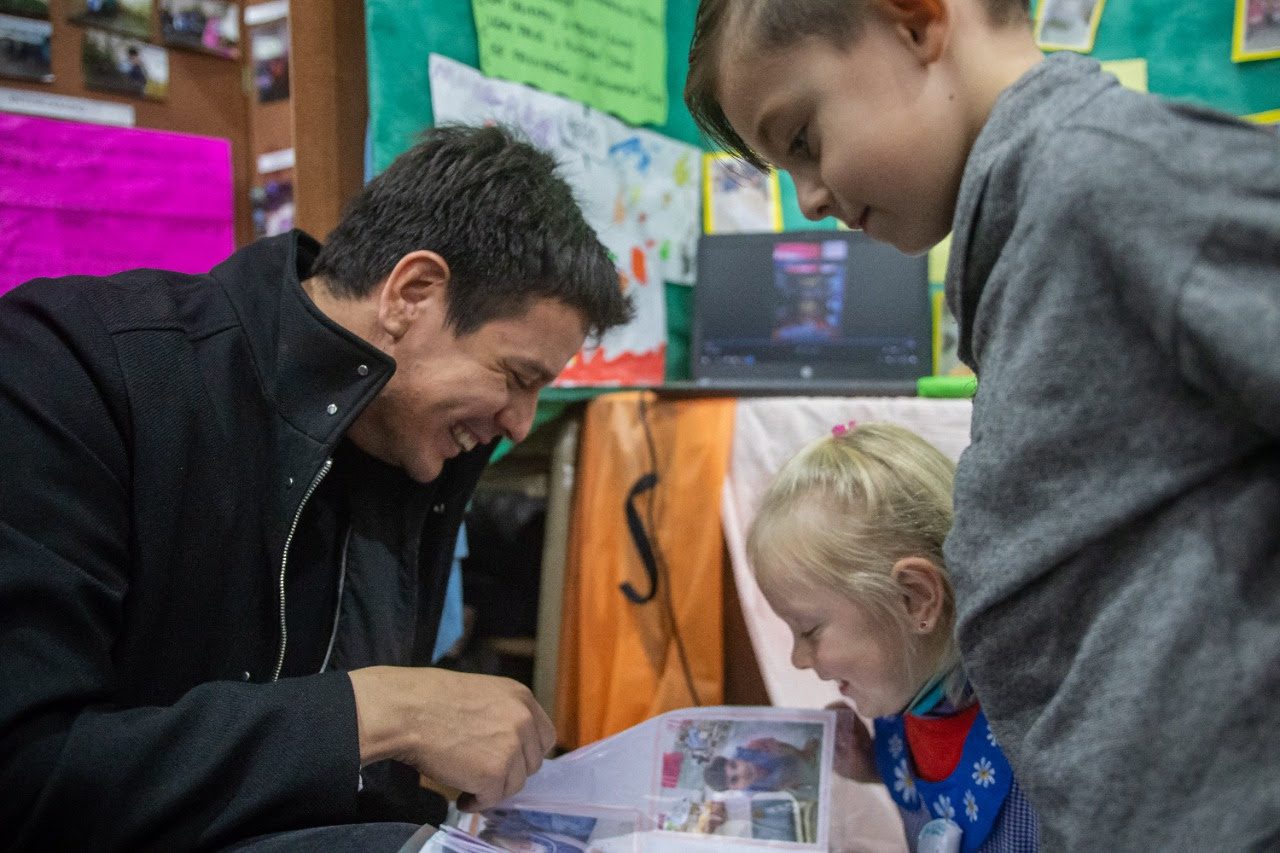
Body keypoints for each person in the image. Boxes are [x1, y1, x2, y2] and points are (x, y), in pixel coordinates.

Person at [685, 0, 1280, 847]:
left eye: (805, 140)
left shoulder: (1106, 175)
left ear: (918, 21)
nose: (811, 198)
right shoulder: (1023, 234)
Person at [0, 123, 632, 850]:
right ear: (412, 293)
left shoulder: (416, 448)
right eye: (517, 377)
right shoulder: (71, 370)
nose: (522, 424)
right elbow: (28, 776)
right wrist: (382, 712)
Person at [747, 422, 1037, 851]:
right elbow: (946, 786)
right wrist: (874, 764)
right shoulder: (907, 687)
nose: (798, 659)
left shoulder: (1036, 728)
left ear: (915, 599)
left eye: (809, 630)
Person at [703, 735, 820, 796]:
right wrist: (791, 785)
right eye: (734, 780)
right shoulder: (752, 792)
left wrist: (803, 754)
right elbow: (775, 789)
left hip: (785, 759)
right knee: (788, 785)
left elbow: (783, 747)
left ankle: (804, 755)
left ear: (734, 759)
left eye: (734, 765)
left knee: (784, 752)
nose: (742, 772)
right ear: (735, 789)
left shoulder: (755, 748)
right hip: (782, 780)